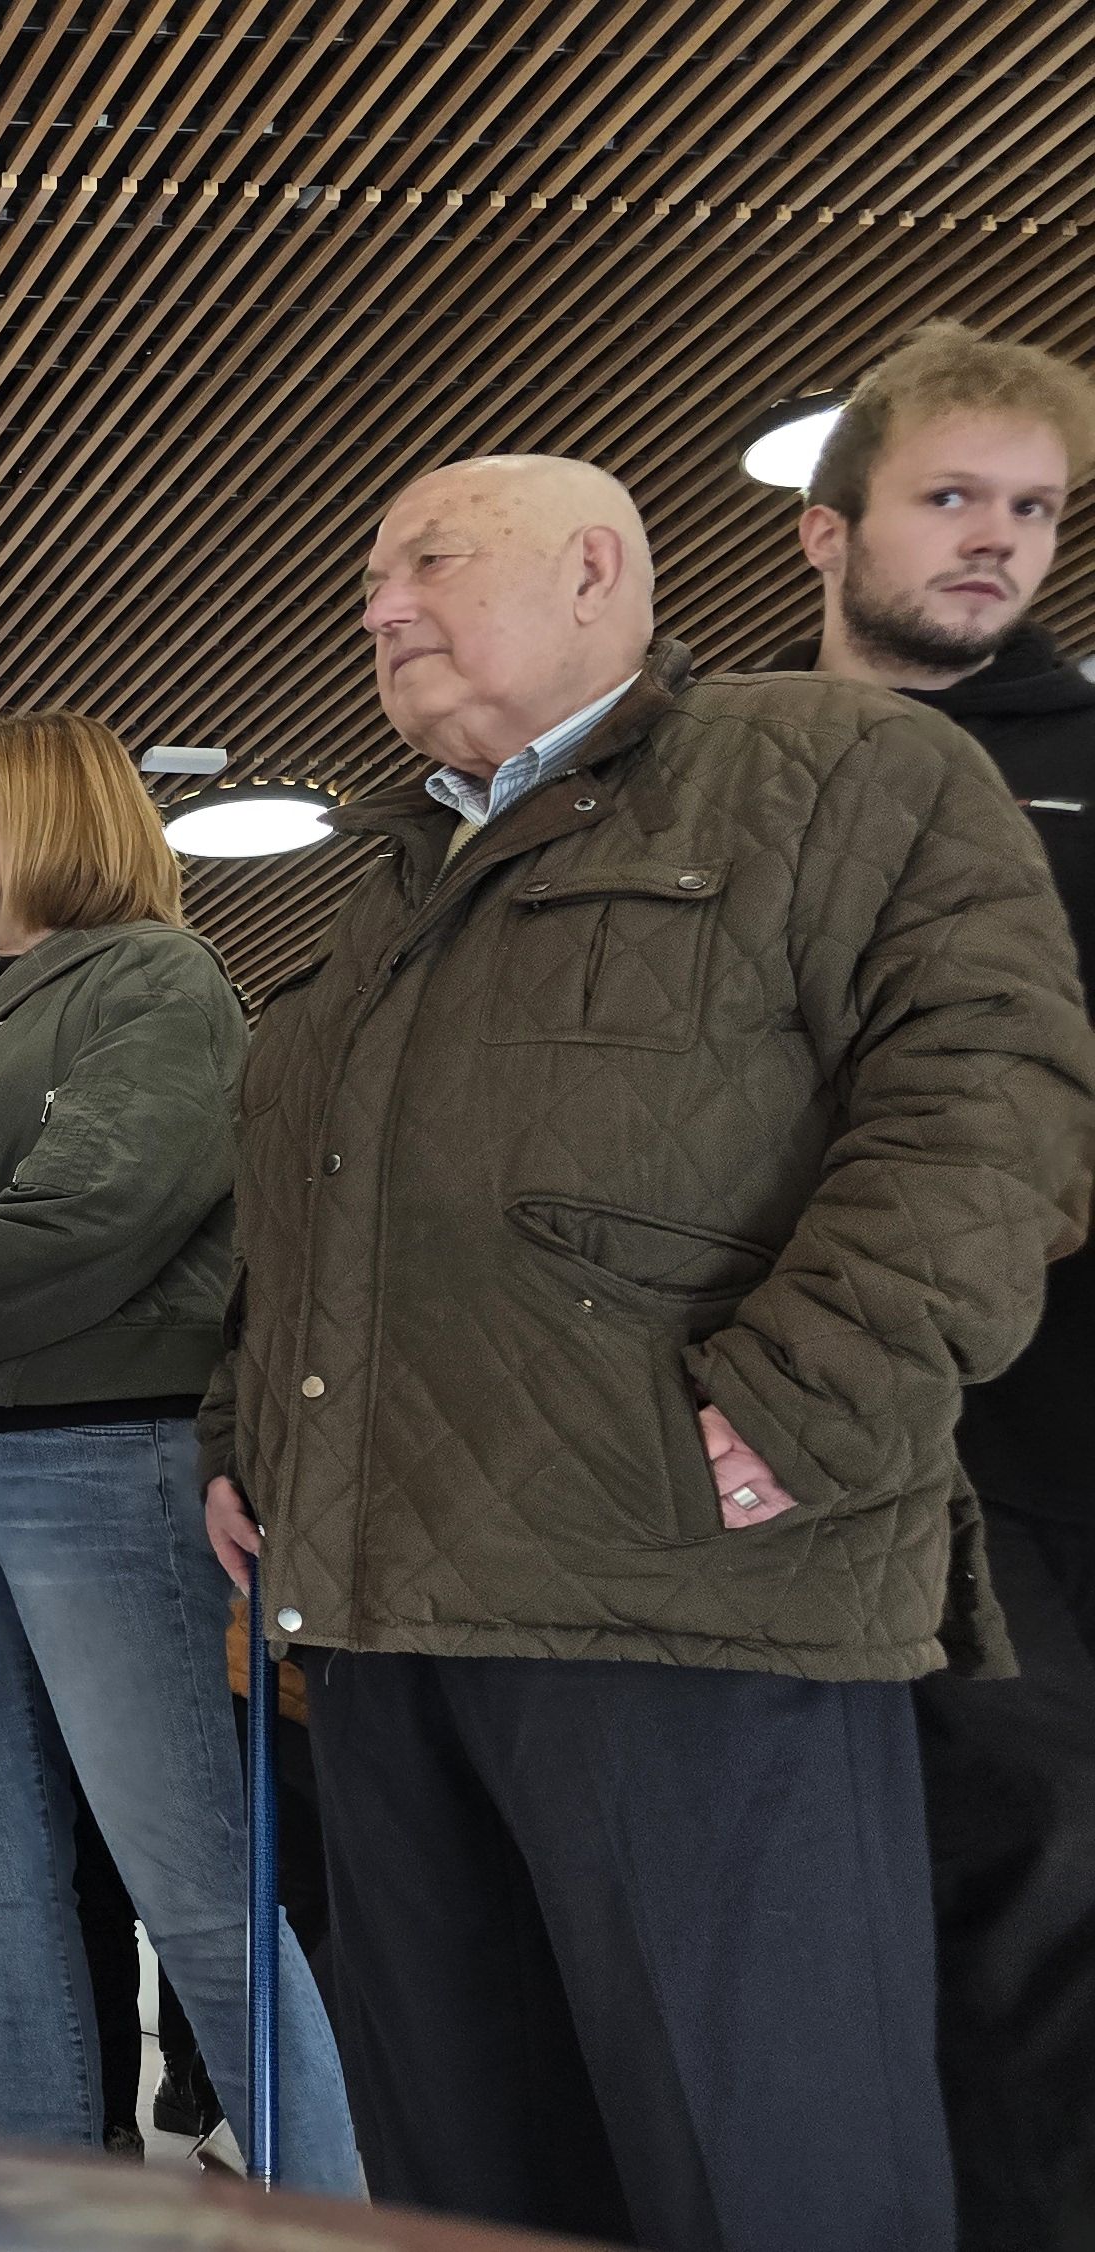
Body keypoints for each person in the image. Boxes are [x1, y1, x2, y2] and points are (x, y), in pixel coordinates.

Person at [202, 454, 1095, 2249]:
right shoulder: (393, 873)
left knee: (771, 2173)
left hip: (694, 1602)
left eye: (430, 559)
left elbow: (995, 1108)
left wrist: (801, 1407)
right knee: (477, 2174)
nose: (381, 606)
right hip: (385, 1628)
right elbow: (320, 1199)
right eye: (373, 579)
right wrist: (249, 1435)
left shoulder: (840, 770)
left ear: (602, 568)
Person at [0, 710, 359, 2186]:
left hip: (99, 1458)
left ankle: (319, 2206)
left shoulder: (159, 978)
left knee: (198, 1889)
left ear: (65, 808)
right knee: (0, 1896)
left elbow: (92, 1220)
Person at [769, 321, 1095, 2252]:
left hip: (1040, 1435)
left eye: (1034, 511)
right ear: (829, 531)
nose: (996, 544)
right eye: (951, 501)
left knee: (1032, 1886)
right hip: (784, 1446)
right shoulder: (738, 768)